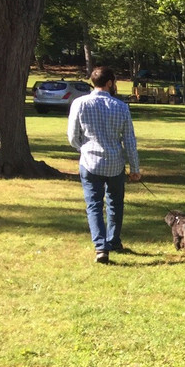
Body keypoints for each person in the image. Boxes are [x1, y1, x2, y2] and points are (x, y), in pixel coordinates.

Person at [67, 66, 142, 264]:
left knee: (94, 205)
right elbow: (129, 140)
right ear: (109, 83)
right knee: (115, 204)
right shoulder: (121, 107)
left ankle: (101, 247)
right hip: (115, 163)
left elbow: (72, 136)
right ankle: (113, 240)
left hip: (89, 162)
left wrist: (83, 148)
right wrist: (135, 168)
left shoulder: (79, 103)